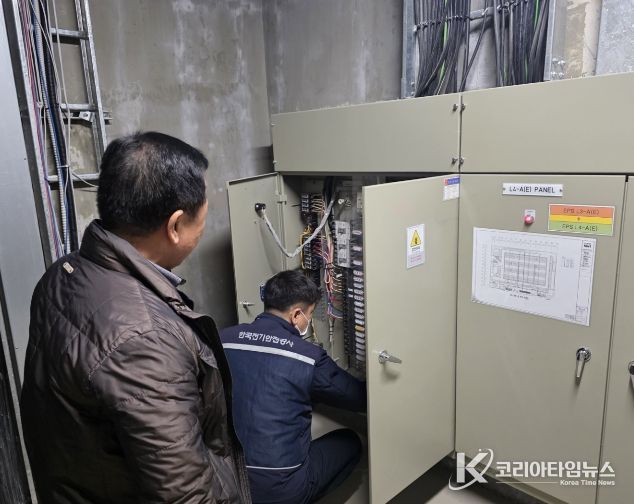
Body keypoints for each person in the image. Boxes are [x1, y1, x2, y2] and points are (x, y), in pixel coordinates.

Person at [21, 132, 251, 503]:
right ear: (175, 226)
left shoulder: (63, 274)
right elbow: (186, 495)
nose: (205, 223)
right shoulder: (146, 339)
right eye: (204, 214)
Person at [220, 270, 366, 504]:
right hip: (281, 490)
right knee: (350, 441)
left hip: (228, 478)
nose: (309, 320)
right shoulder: (307, 356)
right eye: (310, 314)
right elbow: (357, 397)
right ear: (297, 314)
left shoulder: (223, 339)